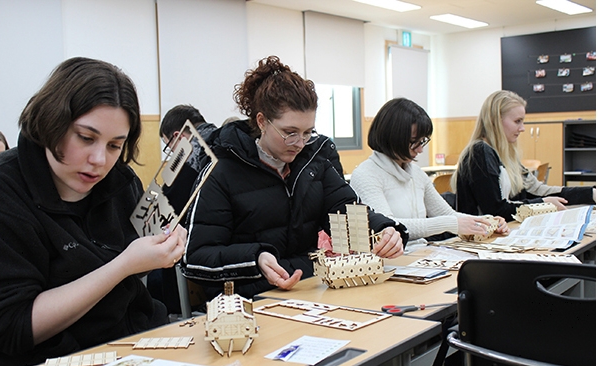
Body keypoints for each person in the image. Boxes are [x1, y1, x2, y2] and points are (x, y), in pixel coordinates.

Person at [0, 57, 187, 366]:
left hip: (136, 347)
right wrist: (123, 265)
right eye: (86, 138)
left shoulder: (121, 181)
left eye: (115, 145)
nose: (99, 160)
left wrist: (165, 239)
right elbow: (14, 326)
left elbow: (144, 237)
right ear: (50, 121)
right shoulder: (7, 193)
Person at [183, 55, 408, 300]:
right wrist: (255, 258)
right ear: (262, 122)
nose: (299, 143)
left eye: (308, 132)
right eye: (290, 133)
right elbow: (195, 258)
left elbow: (345, 209)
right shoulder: (222, 171)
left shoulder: (312, 162)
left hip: (308, 289)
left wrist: (385, 229)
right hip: (249, 299)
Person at [350, 98, 509, 242]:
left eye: (422, 142)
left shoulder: (416, 173)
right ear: (392, 138)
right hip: (393, 263)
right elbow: (388, 228)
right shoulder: (366, 175)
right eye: (414, 142)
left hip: (420, 255)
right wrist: (451, 223)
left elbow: (448, 215)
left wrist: (487, 221)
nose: (420, 150)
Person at [452, 90, 595, 221]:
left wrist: (591, 193)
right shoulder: (480, 152)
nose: (522, 128)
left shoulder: (505, 155)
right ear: (495, 121)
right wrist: (542, 205)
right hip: (480, 241)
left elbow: (539, 191)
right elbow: (496, 211)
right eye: (517, 121)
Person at [148, 105, 216, 315]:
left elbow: (168, 209)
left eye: (169, 146)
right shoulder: (223, 139)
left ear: (178, 136)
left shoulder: (187, 156)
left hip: (199, 256)